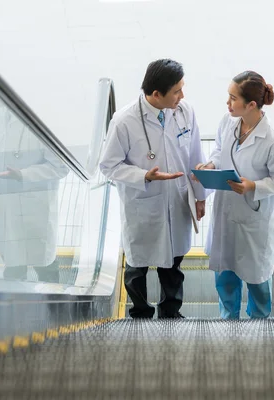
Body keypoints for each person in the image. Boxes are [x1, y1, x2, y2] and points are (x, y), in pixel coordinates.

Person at [99, 59, 207, 319]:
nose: (182, 95)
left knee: (174, 264)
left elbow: (195, 156)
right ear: (156, 94)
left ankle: (171, 312)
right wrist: (143, 175)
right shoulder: (124, 121)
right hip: (143, 203)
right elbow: (108, 165)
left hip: (179, 198)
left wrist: (200, 197)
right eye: (176, 91)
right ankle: (140, 313)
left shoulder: (185, 111)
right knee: (138, 265)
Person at [196, 71, 274, 319]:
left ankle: (259, 324)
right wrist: (212, 165)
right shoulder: (228, 122)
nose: (227, 103)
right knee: (225, 275)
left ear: (251, 105)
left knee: (256, 278)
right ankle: (229, 322)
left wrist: (253, 187)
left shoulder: (273, 140)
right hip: (226, 211)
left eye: (232, 98)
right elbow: (219, 150)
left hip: (253, 216)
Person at [0, 88, 69, 282]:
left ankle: (53, 310)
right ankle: (15, 310)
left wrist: (23, 175)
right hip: (1, 201)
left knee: (44, 265)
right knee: (12, 265)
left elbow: (60, 167)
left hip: (34, 204)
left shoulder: (43, 115)